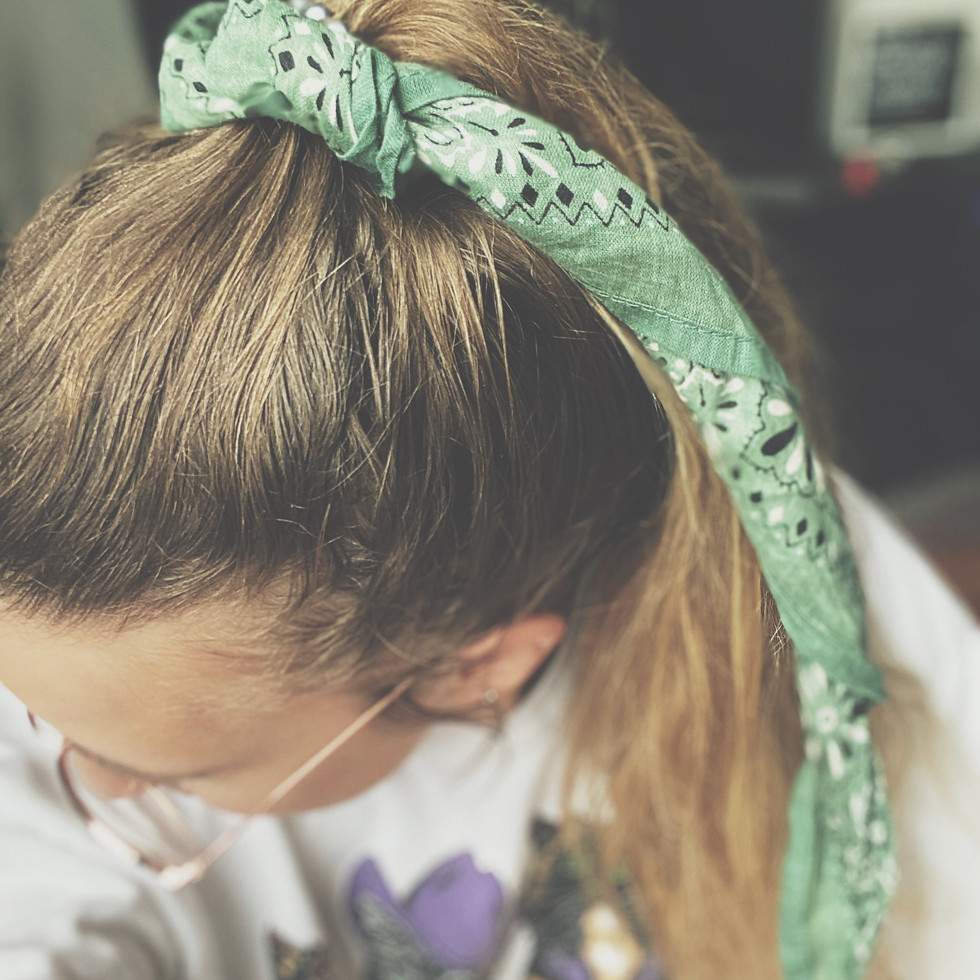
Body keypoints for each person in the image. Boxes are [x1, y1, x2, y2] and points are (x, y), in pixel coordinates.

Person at [0, 1, 977, 978]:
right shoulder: (77, 645)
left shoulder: (829, 632)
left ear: (477, 672)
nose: (91, 781)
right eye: (34, 712)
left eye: (170, 771)